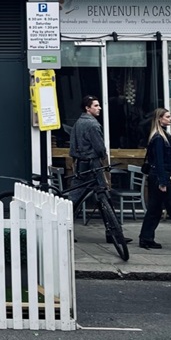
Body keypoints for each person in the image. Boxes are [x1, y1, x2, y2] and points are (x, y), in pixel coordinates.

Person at [66, 95, 132, 246]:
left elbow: (72, 146)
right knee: (104, 195)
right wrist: (103, 158)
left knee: (74, 199)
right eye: (95, 105)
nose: (99, 108)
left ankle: (64, 229)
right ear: (87, 108)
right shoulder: (92, 125)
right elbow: (100, 148)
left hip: (80, 163)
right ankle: (114, 233)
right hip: (93, 164)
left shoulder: (78, 123)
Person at [137, 107, 171, 249]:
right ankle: (146, 238)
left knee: (155, 209)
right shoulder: (158, 137)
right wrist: (163, 181)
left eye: (170, 116)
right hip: (159, 177)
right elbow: (159, 161)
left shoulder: (162, 135)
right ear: (159, 119)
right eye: (167, 117)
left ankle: (146, 238)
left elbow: (166, 159)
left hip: (158, 176)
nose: (170, 119)